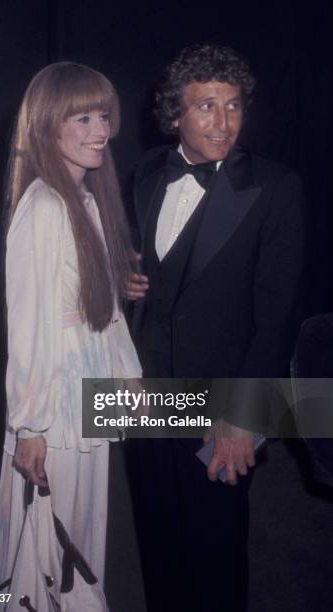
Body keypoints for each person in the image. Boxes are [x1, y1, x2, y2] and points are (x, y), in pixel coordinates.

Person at [126, 44, 306, 611]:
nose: (223, 123)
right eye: (206, 107)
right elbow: (152, 271)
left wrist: (244, 418)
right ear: (174, 114)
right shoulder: (148, 172)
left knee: (215, 548)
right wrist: (126, 281)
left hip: (222, 404)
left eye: (233, 106)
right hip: (146, 396)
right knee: (157, 539)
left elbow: (278, 317)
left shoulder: (277, 188)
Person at [0, 62, 142, 611]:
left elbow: (99, 309)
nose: (101, 129)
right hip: (55, 406)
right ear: (48, 125)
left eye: (103, 115)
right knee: (54, 545)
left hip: (89, 388)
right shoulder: (44, 208)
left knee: (82, 534)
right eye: (83, 118)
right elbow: (28, 329)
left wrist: (127, 374)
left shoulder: (86, 200)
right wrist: (30, 426)